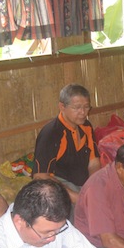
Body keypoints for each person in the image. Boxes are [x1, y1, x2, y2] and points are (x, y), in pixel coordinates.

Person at [33, 83, 100, 217]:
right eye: (77, 108)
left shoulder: (86, 126)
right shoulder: (51, 133)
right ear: (62, 107)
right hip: (61, 187)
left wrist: (93, 187)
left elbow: (94, 162)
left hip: (83, 185)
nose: (83, 112)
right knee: (85, 214)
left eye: (86, 107)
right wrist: (75, 196)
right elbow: (40, 176)